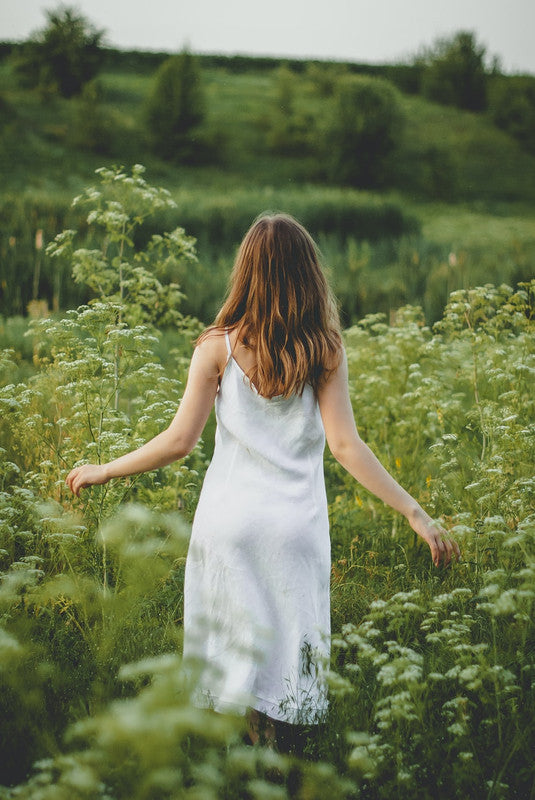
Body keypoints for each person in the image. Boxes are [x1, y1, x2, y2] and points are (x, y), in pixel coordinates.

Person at [66, 212, 460, 748]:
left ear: (246, 272)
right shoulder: (324, 350)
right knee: (289, 665)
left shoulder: (217, 347)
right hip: (293, 530)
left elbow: (180, 442)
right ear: (308, 274)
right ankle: (281, 763)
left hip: (229, 526)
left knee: (239, 660)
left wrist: (104, 468)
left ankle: (246, 762)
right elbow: (346, 446)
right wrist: (416, 513)